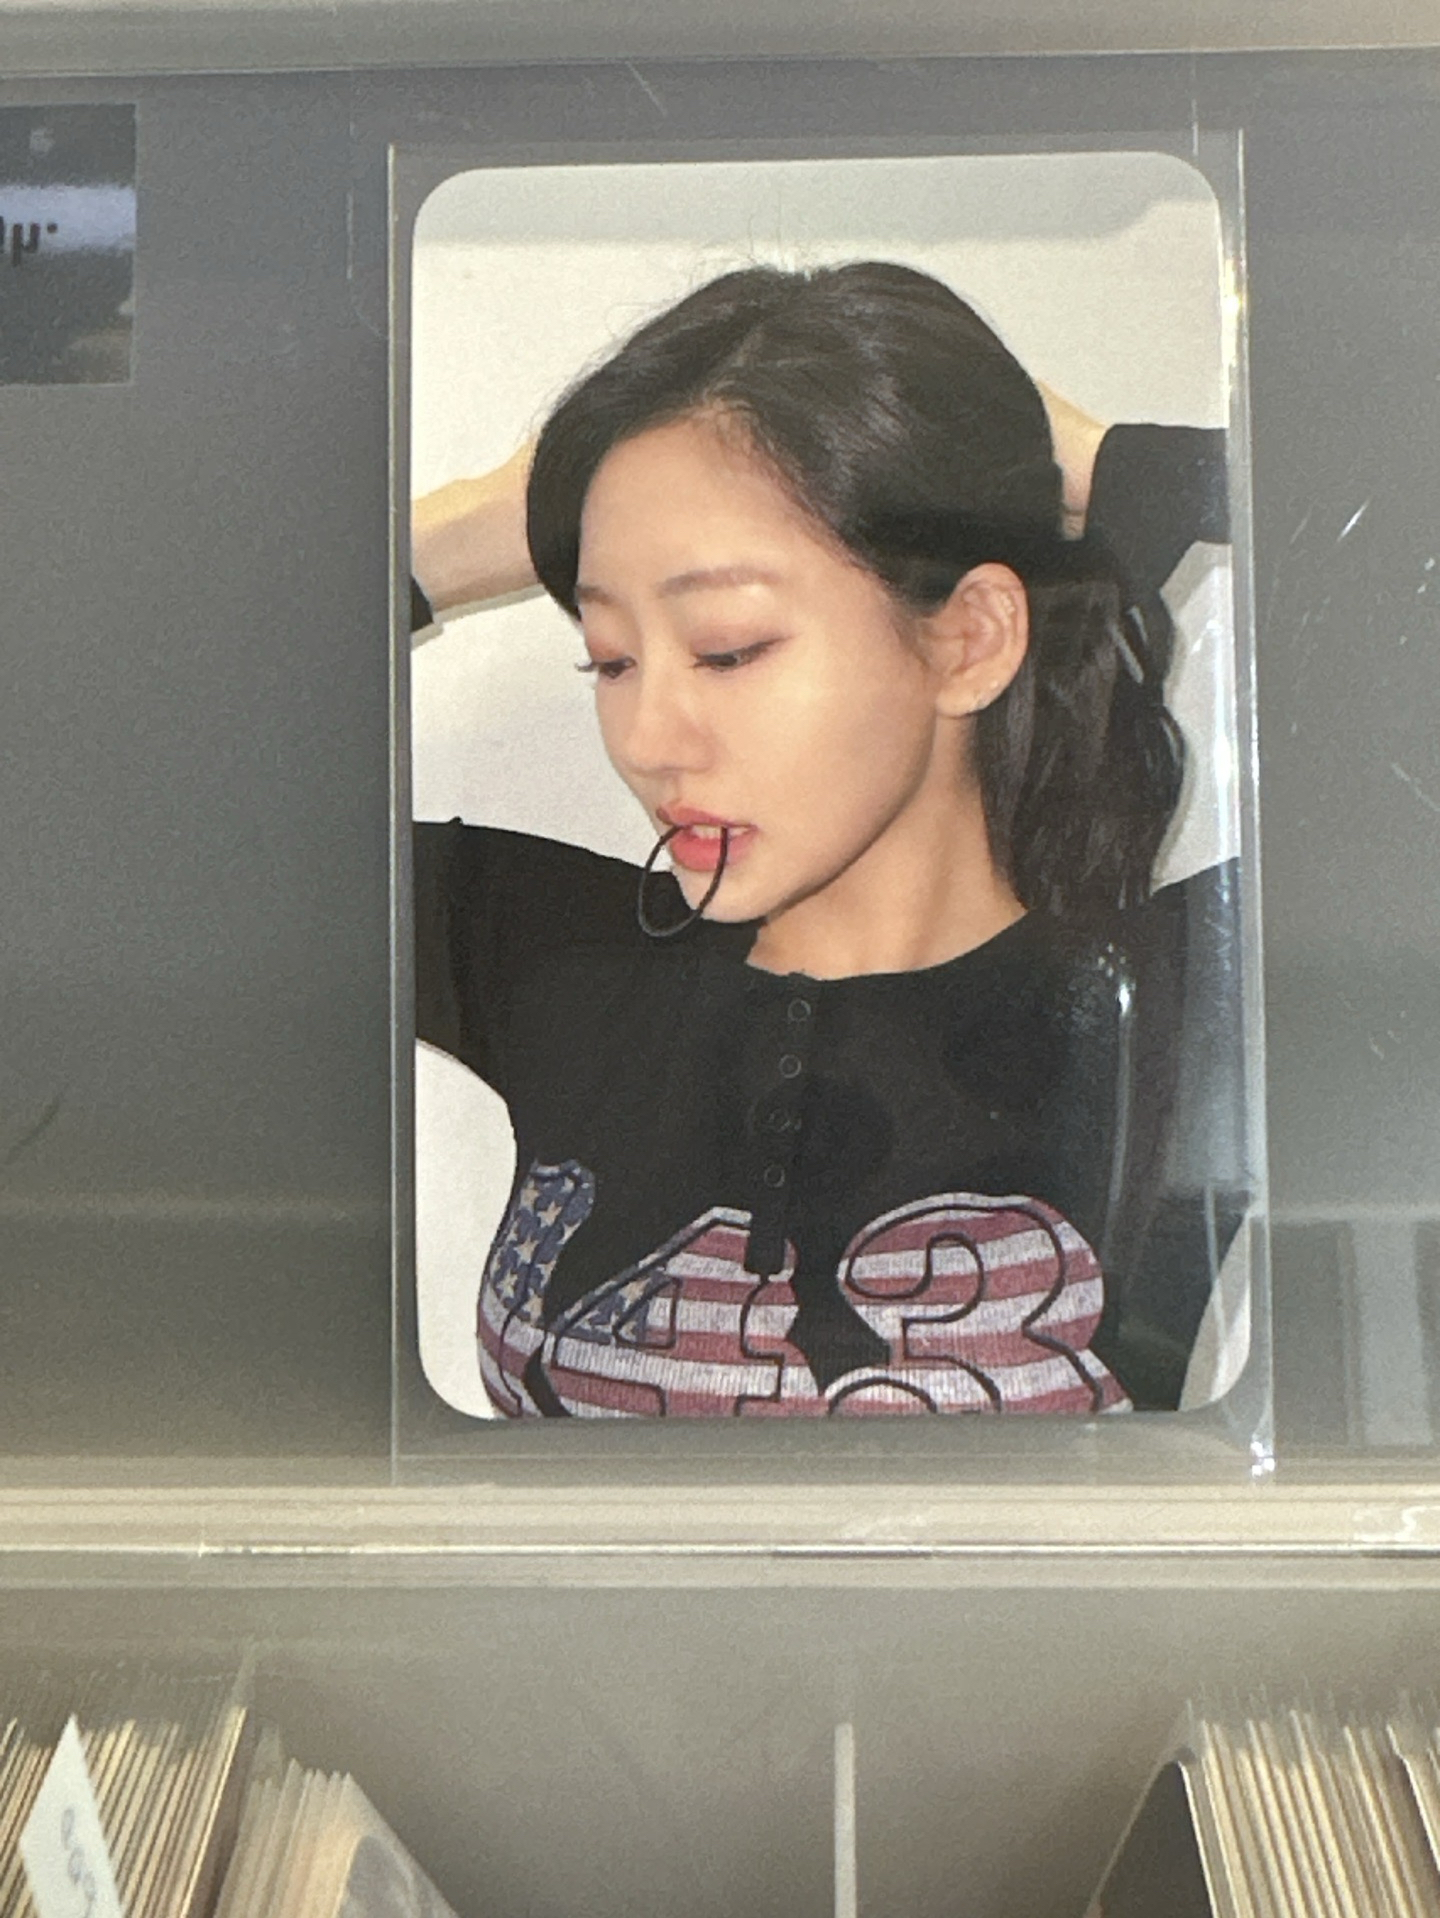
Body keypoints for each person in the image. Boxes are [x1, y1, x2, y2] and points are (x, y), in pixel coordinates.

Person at [411, 261, 1241, 1419]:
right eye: (610, 657)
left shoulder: (1191, 1003)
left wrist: (1122, 468)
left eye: (728, 648)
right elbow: (167, 799)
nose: (646, 739)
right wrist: (472, 523)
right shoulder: (548, 955)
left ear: (969, 639)